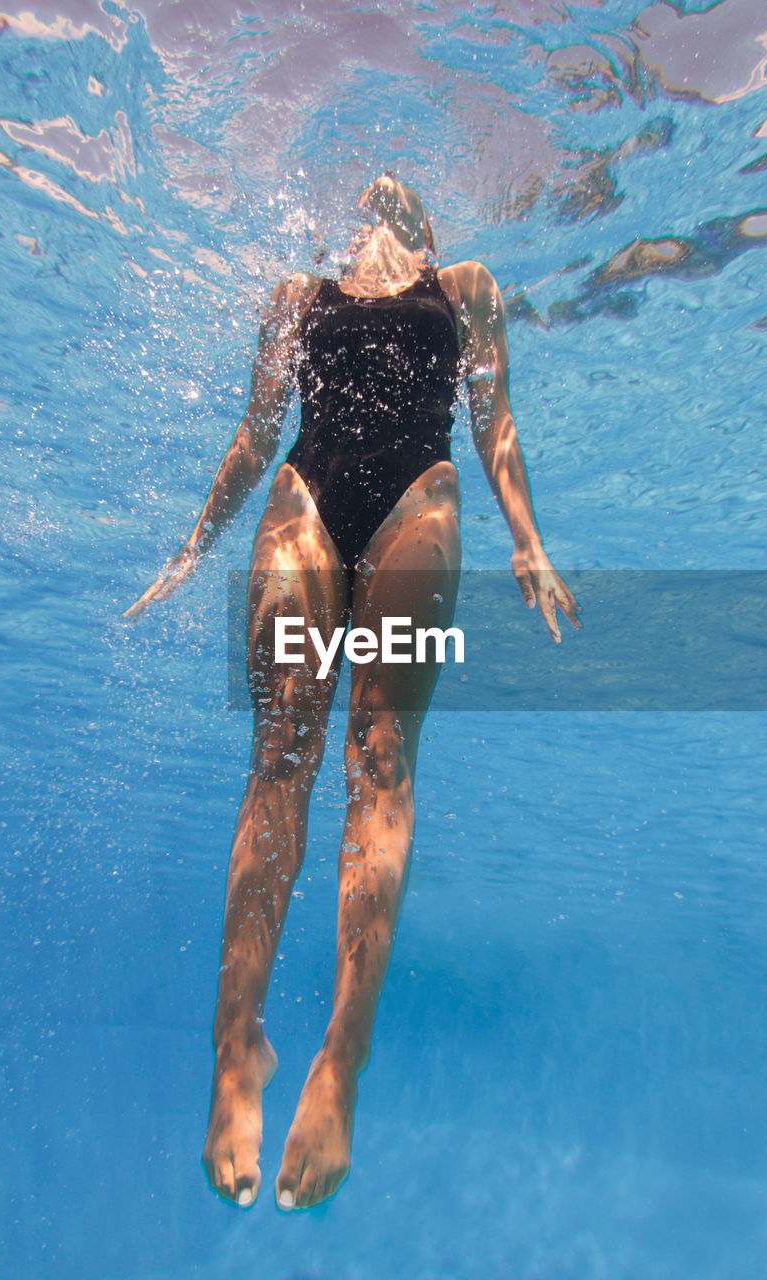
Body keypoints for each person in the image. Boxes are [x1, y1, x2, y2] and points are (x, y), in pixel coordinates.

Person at [124, 173, 579, 1211]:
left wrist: (528, 540)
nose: (383, 199)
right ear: (347, 223)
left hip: (418, 492)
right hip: (304, 493)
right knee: (280, 751)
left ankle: (342, 1057)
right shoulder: (293, 292)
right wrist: (192, 548)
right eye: (368, 197)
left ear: (425, 223)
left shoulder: (465, 285)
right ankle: (234, 1045)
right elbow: (254, 428)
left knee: (377, 757)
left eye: (404, 197)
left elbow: (492, 420)